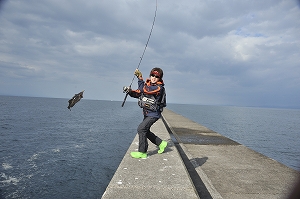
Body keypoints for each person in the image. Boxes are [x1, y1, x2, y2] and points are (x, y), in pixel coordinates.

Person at [123, 67, 167, 159]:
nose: (154, 78)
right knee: (145, 131)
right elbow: (139, 93)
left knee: (141, 129)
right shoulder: (148, 85)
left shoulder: (159, 88)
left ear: (160, 78)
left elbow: (145, 90)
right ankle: (161, 143)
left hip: (154, 114)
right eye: (152, 75)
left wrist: (140, 78)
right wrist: (130, 91)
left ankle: (142, 152)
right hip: (147, 113)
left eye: (156, 76)